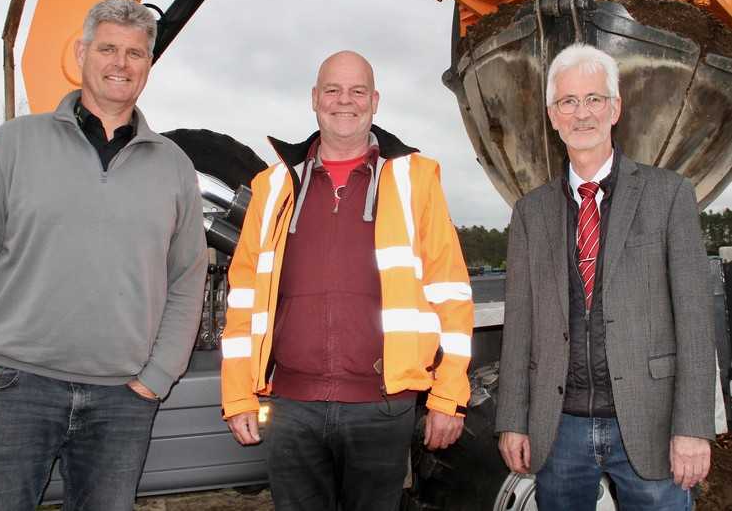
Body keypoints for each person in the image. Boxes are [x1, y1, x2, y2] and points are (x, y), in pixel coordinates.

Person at [0, 0, 208, 511]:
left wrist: (157, 375)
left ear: (148, 65)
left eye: (136, 54)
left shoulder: (173, 168)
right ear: (81, 52)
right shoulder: (14, 145)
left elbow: (188, 279)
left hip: (122, 401)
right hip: (12, 389)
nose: (121, 63)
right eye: (108, 49)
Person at [220, 50, 474, 510]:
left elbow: (451, 294)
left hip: (381, 406)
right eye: (332, 90)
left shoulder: (417, 179)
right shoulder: (272, 187)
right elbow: (243, 300)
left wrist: (449, 394)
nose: (345, 101)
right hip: (291, 407)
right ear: (314, 99)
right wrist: (237, 394)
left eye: (357, 91)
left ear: (374, 101)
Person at [496, 43, 715, 510]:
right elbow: (519, 325)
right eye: (568, 102)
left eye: (594, 99)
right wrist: (513, 419)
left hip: (650, 425)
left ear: (615, 108)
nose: (582, 114)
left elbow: (695, 322)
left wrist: (693, 428)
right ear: (552, 116)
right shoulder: (530, 213)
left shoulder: (669, 196)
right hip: (560, 431)